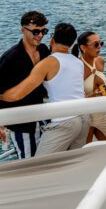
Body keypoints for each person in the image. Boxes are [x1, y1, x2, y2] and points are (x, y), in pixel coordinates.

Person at [0, 23, 89, 156]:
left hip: (65, 121)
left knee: (38, 165)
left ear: (52, 40)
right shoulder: (78, 62)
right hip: (84, 117)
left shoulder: (48, 63)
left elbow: (17, 95)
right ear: (71, 44)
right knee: (70, 162)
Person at [0, 11, 50, 158]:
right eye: (36, 31)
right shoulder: (11, 58)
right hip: (21, 123)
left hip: (42, 116)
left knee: (47, 158)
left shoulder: (43, 50)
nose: (40, 35)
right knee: (29, 161)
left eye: (43, 31)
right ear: (23, 30)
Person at [72, 31, 106, 141]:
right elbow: (71, 97)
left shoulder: (100, 61)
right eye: (95, 44)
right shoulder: (77, 67)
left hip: (102, 114)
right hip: (85, 117)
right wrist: (90, 97)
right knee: (86, 151)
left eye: (100, 43)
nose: (99, 47)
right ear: (83, 47)